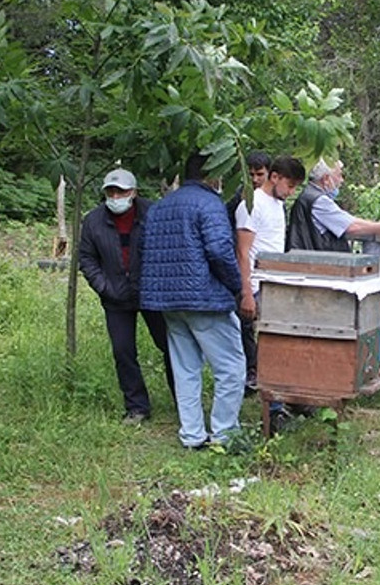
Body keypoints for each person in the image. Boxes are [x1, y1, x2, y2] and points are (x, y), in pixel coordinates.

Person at [139, 153, 248, 449]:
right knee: (232, 368)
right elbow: (219, 251)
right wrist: (237, 287)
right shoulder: (210, 204)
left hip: (168, 302)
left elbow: (146, 252)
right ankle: (225, 435)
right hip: (205, 299)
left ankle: (192, 435)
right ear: (213, 174)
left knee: (185, 369)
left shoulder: (160, 207)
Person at [78, 168, 175, 424]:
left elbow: (166, 250)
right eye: (111, 191)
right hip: (115, 297)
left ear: (133, 192)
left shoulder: (153, 213)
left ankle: (183, 400)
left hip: (151, 293)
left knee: (170, 345)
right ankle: (137, 407)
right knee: (123, 351)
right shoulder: (93, 221)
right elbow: (86, 258)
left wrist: (159, 283)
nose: (115, 196)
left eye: (120, 191)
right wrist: (103, 286)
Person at [235, 156, 306, 421]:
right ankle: (274, 410)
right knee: (272, 347)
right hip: (255, 287)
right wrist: (245, 293)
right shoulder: (252, 205)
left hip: (275, 284)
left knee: (283, 344)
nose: (291, 192)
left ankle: (288, 399)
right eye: (290, 185)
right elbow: (243, 253)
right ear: (274, 177)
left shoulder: (278, 205)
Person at [286, 158, 380, 252]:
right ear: (326, 179)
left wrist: (379, 225)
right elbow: (351, 227)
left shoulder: (310, 196)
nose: (341, 180)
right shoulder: (319, 201)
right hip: (317, 264)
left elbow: (349, 220)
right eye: (339, 175)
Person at [230, 151, 273, 393]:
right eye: (252, 174)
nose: (255, 179)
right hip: (245, 274)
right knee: (244, 326)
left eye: (260, 174)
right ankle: (249, 371)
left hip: (262, 274)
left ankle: (257, 369)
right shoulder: (242, 200)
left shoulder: (272, 200)